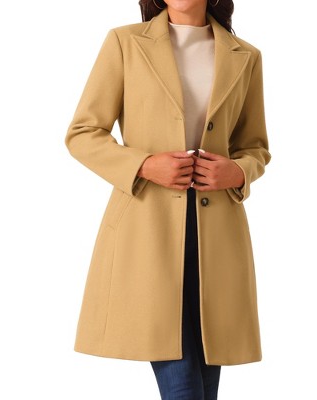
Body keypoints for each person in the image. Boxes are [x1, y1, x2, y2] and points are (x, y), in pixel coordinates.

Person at [65, 0, 271, 398]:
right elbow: (83, 133)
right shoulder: (125, 43)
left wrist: (238, 171)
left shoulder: (245, 55)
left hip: (217, 238)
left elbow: (255, 146)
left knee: (204, 380)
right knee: (184, 386)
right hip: (148, 231)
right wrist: (144, 165)